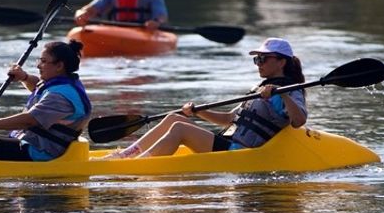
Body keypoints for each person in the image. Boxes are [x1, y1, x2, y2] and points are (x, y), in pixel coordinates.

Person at [105, 38, 308, 159]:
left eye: (263, 59)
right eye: (257, 59)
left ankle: (138, 166)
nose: (258, 63)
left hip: (239, 152)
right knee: (173, 119)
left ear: (281, 61)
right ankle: (126, 156)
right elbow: (229, 119)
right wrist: (199, 112)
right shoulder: (260, 88)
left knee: (180, 129)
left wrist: (281, 94)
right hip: (227, 142)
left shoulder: (291, 90)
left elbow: (299, 121)